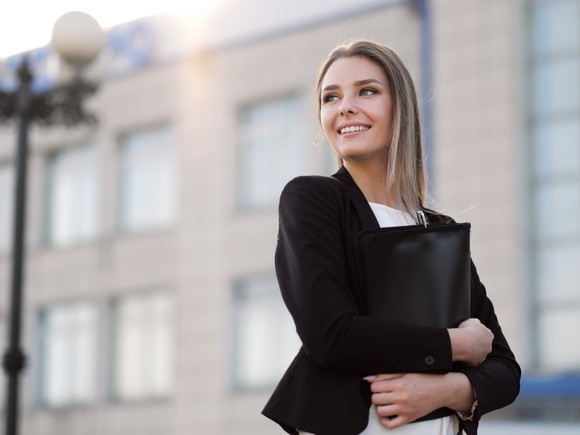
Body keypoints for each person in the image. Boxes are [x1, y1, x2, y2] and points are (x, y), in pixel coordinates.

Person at [262, 40, 520, 435]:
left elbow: (505, 369)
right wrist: (455, 346)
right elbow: (331, 335)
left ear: (400, 108)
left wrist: (448, 389)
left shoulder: (437, 228)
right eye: (331, 97)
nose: (345, 106)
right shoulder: (313, 199)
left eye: (367, 90)